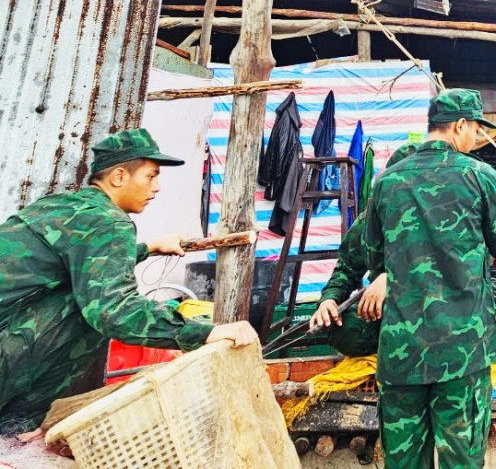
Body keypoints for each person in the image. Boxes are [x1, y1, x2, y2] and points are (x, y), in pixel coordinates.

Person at [0, 129, 258, 433]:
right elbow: (114, 311)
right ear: (119, 177)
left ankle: (13, 424)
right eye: (151, 176)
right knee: (93, 312)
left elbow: (80, 261)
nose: (157, 187)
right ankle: (13, 425)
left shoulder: (60, 207)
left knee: (86, 293)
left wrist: (147, 248)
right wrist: (206, 333)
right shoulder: (109, 221)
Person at [365, 89, 496, 468]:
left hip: (402, 353)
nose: (476, 138)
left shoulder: (386, 183)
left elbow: (374, 260)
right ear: (459, 126)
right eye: (474, 129)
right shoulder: (480, 177)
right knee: (462, 461)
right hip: (463, 353)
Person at [310, 143, 422, 356]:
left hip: (438, 311)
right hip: (389, 311)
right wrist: (329, 301)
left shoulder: (443, 220)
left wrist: (392, 278)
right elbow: (346, 270)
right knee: (346, 330)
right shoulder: (370, 221)